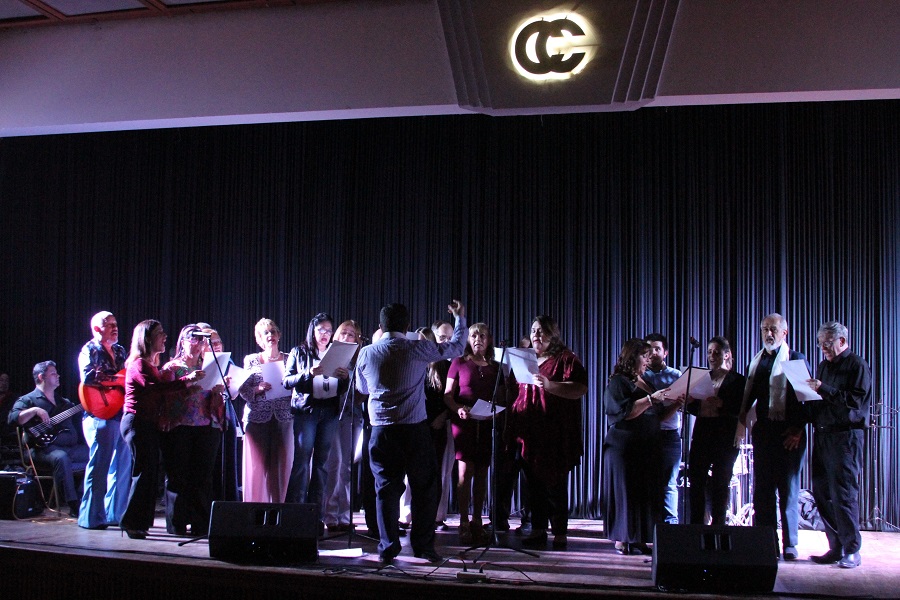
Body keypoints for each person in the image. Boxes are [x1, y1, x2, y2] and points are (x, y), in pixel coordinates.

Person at [355, 300, 467, 565]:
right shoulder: (417, 347)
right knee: (424, 488)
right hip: (414, 430)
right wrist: (460, 318)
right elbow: (457, 347)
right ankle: (423, 547)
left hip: (381, 431)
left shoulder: (366, 353)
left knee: (386, 490)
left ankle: (388, 547)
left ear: (381, 326)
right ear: (407, 326)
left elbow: (362, 389)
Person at [509, 315, 588, 550]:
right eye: (533, 330)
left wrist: (551, 385)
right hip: (528, 432)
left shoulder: (566, 359)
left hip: (554, 433)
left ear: (553, 334)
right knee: (532, 485)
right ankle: (538, 529)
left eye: (541, 330)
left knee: (555, 484)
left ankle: (560, 532)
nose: (536, 335)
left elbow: (580, 388)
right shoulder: (525, 359)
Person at [120, 320, 203, 539]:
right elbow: (155, 389)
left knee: (149, 473)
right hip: (137, 422)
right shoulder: (139, 364)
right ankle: (131, 522)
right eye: (160, 333)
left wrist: (187, 390)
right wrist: (186, 380)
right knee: (143, 473)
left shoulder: (151, 365)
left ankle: (139, 523)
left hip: (147, 423)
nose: (165, 336)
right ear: (147, 339)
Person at [739, 313, 808, 561]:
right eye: (764, 329)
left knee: (788, 489)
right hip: (765, 433)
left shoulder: (795, 358)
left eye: (773, 329)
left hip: (789, 433)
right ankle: (766, 541)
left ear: (784, 333)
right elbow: (748, 398)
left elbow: (807, 399)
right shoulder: (756, 362)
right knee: (763, 490)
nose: (768, 334)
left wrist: (798, 430)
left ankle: (790, 544)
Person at [806, 321, 872, 569]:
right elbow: (819, 400)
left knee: (843, 494)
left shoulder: (857, 365)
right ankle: (836, 547)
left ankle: (852, 549)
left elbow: (855, 403)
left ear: (842, 341)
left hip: (846, 438)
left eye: (827, 343)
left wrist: (824, 389)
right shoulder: (823, 366)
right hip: (823, 435)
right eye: (820, 343)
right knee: (822, 493)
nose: (823, 347)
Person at [284, 312, 350, 533]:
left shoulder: (336, 353)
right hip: (307, 412)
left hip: (329, 412)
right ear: (312, 330)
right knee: (302, 462)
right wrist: (308, 374)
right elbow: (287, 381)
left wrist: (344, 378)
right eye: (321, 329)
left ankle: (316, 516)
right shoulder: (299, 352)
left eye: (329, 330)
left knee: (322, 465)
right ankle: (294, 514)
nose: (325, 334)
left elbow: (343, 388)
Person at [602, 339, 669, 555]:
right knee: (626, 493)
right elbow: (624, 412)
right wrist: (650, 399)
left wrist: (676, 402)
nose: (648, 360)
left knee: (642, 494)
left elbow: (657, 415)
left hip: (645, 447)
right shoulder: (618, 382)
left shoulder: (643, 381)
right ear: (632, 357)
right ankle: (623, 539)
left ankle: (639, 538)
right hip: (624, 447)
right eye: (644, 356)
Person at [160, 324, 226, 535]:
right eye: (194, 339)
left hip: (206, 426)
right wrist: (188, 388)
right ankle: (177, 523)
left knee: (202, 477)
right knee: (178, 476)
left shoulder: (208, 365)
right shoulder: (172, 368)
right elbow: (165, 400)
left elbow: (213, 399)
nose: (199, 344)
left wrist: (217, 390)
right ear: (183, 341)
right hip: (179, 427)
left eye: (202, 340)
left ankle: (200, 524)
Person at [444, 322, 502, 545]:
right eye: (474, 336)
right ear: (468, 340)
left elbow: (502, 396)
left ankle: (478, 520)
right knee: (464, 473)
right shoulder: (458, 363)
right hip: (464, 422)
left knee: (482, 473)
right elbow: (448, 395)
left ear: (489, 340)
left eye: (483, 336)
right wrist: (458, 408)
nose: (478, 339)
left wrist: (495, 411)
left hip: (486, 423)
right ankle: (463, 521)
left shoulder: (495, 367)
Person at [9, 361, 89, 517]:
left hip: (69, 448)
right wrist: (35, 410)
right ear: (41, 377)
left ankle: (84, 498)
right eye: (53, 373)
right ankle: (73, 504)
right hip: (41, 450)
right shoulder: (28, 400)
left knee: (97, 454)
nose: (58, 376)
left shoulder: (63, 402)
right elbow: (13, 418)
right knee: (61, 458)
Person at [77, 310, 131, 529]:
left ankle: (114, 515)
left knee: (121, 467)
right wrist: (117, 379)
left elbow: (125, 377)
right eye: (109, 325)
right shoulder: (89, 350)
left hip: (119, 411)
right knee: (99, 467)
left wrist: (115, 379)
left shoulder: (120, 350)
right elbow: (89, 377)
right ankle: (90, 517)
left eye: (115, 324)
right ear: (97, 329)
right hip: (99, 413)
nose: (115, 328)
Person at [685, 336, 745, 525]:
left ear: (727, 355)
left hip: (725, 435)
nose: (712, 356)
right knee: (696, 480)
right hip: (703, 432)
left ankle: (718, 525)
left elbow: (742, 408)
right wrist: (690, 403)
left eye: (716, 352)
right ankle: (696, 525)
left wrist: (722, 404)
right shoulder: (701, 378)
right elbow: (694, 408)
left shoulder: (737, 380)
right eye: (709, 352)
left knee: (721, 481)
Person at [239, 318, 293, 503]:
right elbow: (242, 390)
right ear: (259, 339)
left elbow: (298, 386)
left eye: (273, 331)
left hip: (284, 418)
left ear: (279, 335)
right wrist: (257, 389)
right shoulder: (251, 360)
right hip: (257, 419)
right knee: (257, 469)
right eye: (266, 333)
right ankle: (255, 512)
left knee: (281, 468)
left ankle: (278, 511)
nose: (270, 335)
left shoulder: (289, 358)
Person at [322, 319, 363, 532]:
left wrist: (350, 381)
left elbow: (362, 393)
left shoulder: (359, 360)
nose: (346, 337)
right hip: (330, 415)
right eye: (343, 333)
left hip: (351, 415)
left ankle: (345, 516)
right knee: (333, 464)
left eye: (351, 334)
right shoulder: (327, 355)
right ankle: (329, 514)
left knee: (347, 466)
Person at [643, 333, 682, 524]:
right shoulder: (640, 375)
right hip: (646, 435)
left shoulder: (676, 376)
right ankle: (649, 526)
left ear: (665, 352)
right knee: (647, 482)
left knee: (669, 483)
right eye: (649, 349)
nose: (653, 353)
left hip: (670, 435)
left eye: (657, 349)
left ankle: (671, 525)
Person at [202, 327, 241, 502]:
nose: (217, 345)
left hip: (226, 411)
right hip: (206, 415)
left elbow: (232, 394)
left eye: (219, 341)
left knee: (228, 460)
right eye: (212, 342)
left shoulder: (227, 361)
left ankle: (228, 502)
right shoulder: (198, 363)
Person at [429, 320, 455, 531]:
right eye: (442, 337)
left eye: (450, 338)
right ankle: (408, 514)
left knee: (442, 471)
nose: (446, 342)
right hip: (420, 422)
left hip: (443, 423)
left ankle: (437, 515)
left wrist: (444, 415)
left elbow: (454, 395)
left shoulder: (452, 364)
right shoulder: (423, 362)